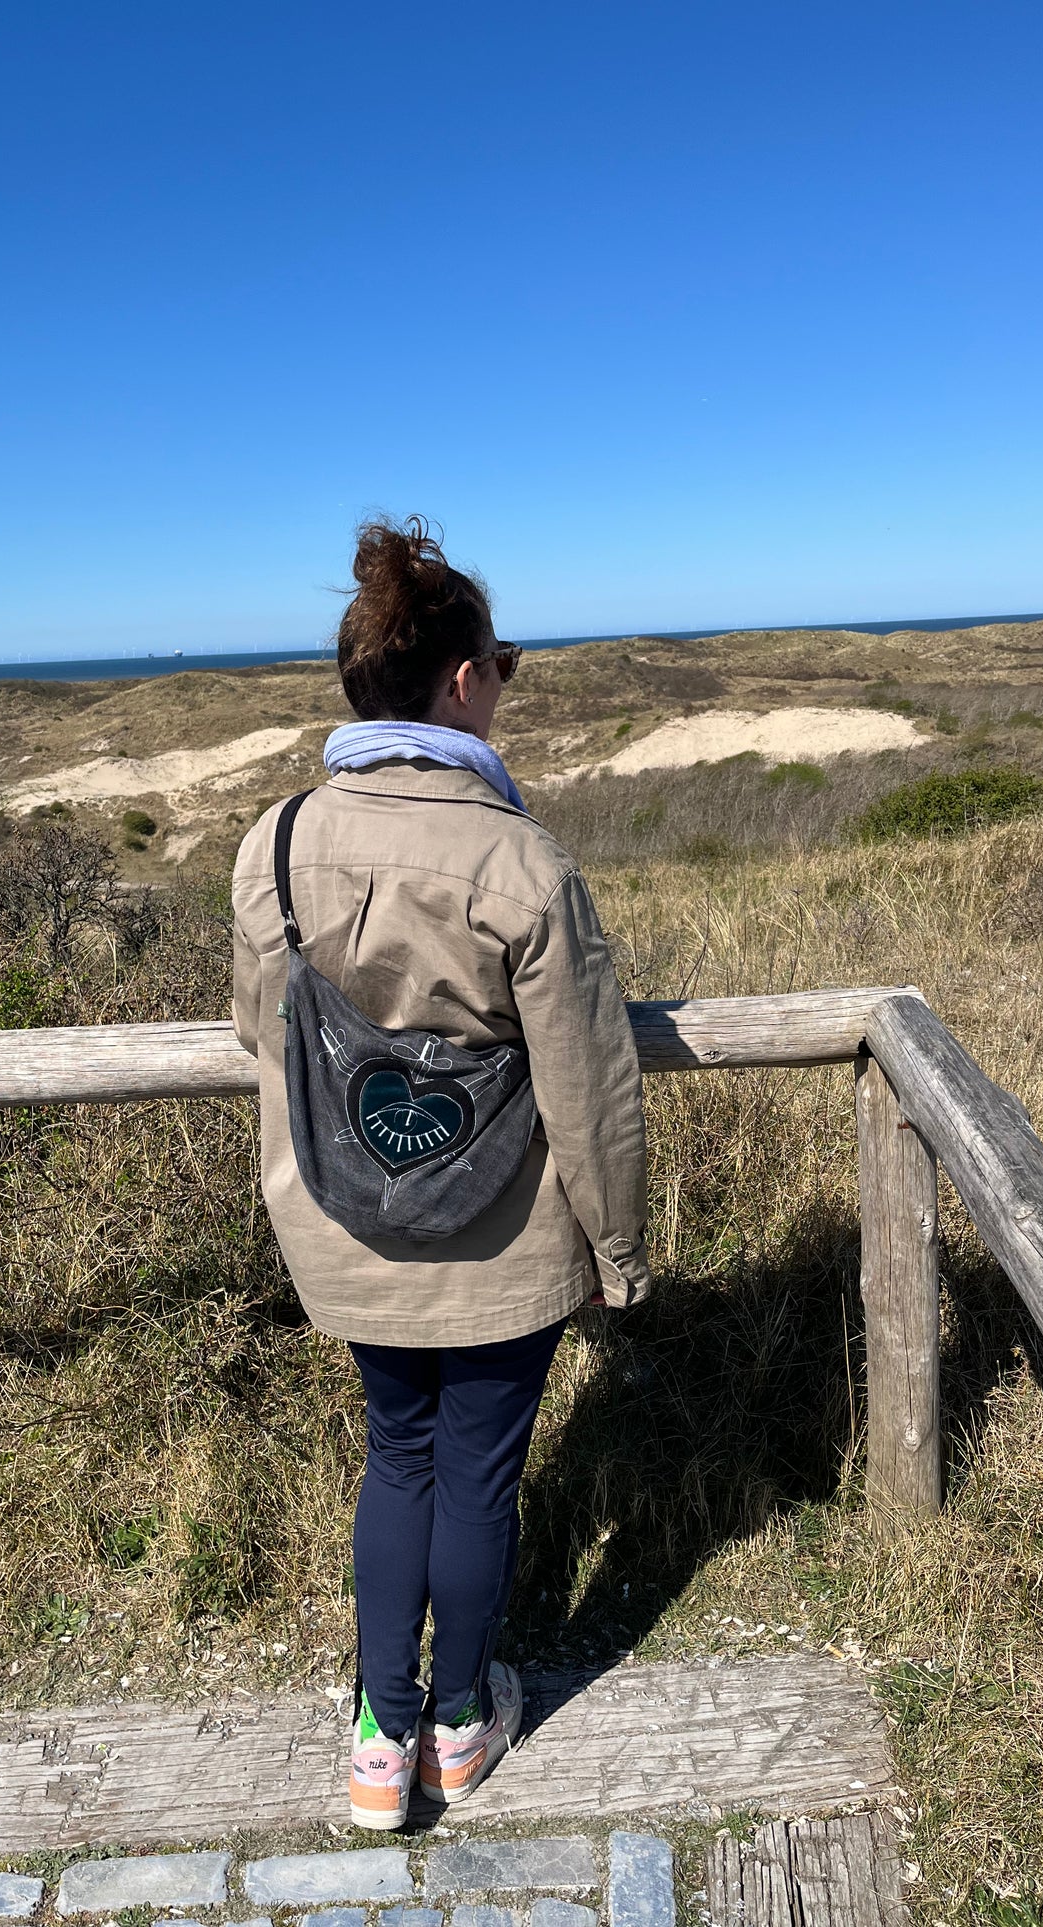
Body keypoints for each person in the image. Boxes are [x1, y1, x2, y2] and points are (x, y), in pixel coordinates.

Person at [231, 516, 652, 1830]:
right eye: (502, 668)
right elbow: (587, 1086)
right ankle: (461, 1727)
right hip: (503, 1232)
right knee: (476, 1474)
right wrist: (617, 1253)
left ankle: (377, 1741)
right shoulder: (519, 861)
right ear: (463, 680)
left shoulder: (277, 841)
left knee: (393, 1461)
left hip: (346, 1225)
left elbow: (261, 1030)